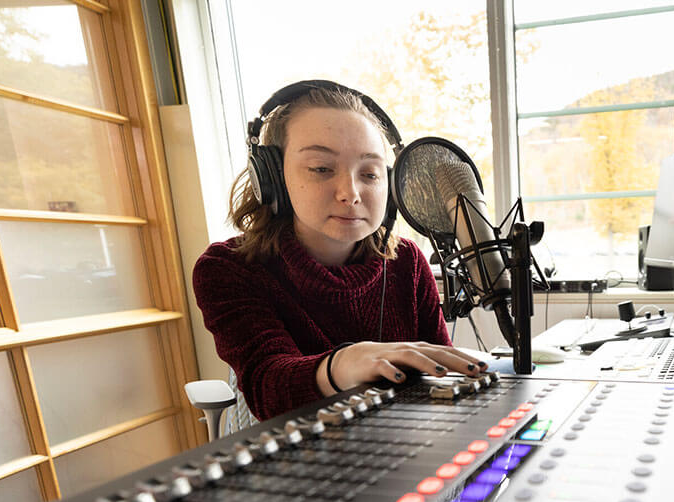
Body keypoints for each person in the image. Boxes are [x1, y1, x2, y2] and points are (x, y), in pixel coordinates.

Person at [193, 81, 485, 420]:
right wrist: (340, 365)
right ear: (272, 178)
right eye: (321, 168)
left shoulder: (407, 261)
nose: (351, 193)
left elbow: (438, 374)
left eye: (370, 174)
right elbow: (267, 387)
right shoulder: (227, 268)